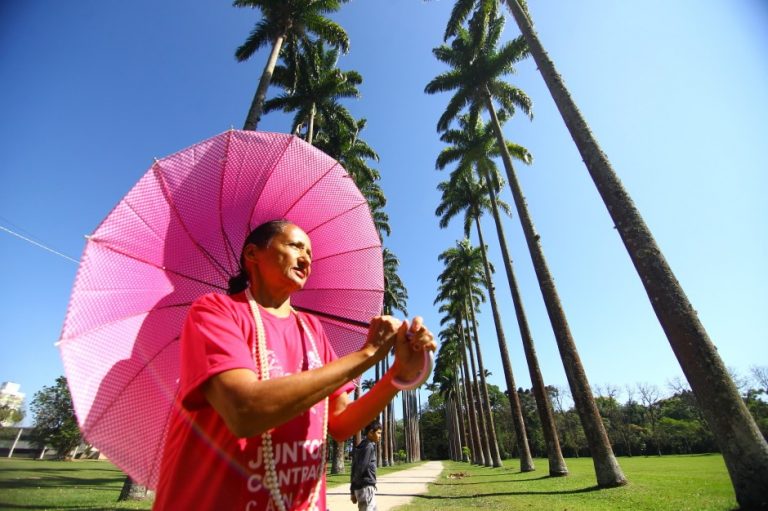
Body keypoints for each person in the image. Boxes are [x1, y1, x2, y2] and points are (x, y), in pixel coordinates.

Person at [153, 219, 435, 511]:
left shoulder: (312, 330)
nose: (306, 259)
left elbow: (340, 423)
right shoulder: (215, 311)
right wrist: (369, 353)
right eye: (295, 246)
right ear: (252, 254)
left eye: (310, 254)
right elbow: (243, 411)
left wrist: (396, 375)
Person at [350, 420, 382, 511]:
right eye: (378, 433)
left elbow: (354, 469)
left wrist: (353, 491)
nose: (380, 436)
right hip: (366, 488)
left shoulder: (361, 446)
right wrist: (354, 490)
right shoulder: (369, 446)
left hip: (362, 488)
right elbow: (360, 469)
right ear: (371, 432)